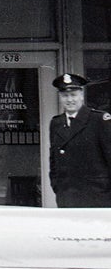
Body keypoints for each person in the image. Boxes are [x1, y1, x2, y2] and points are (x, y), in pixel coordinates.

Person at [47, 73, 111, 207]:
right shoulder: (56, 123)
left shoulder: (98, 120)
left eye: (73, 95)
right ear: (60, 97)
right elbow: (54, 159)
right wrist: (57, 185)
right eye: (65, 96)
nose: (69, 100)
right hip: (66, 195)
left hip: (97, 196)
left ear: (81, 95)